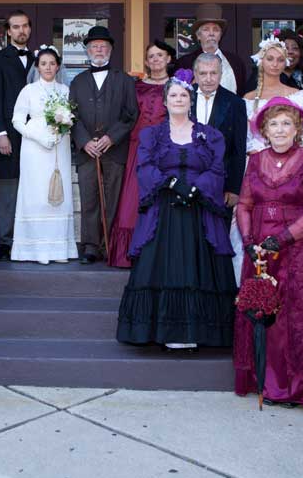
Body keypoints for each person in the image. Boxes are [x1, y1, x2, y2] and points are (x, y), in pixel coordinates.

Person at [233, 97, 303, 411]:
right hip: (259, 251)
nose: (280, 129)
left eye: (286, 123)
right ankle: (268, 382)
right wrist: (247, 240)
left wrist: (281, 239)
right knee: (265, 316)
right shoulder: (255, 161)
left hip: (300, 248)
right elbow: (244, 204)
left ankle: (300, 386)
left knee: (300, 316)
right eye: (274, 124)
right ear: (265, 130)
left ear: (297, 128)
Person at [116, 71, 237, 349]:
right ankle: (167, 331)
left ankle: (196, 331)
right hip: (164, 209)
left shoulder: (211, 135)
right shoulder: (151, 134)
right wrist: (170, 183)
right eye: (173, 95)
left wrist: (196, 189)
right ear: (165, 101)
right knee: (164, 268)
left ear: (190, 100)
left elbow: (218, 167)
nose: (179, 99)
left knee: (198, 268)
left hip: (199, 211)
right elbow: (144, 166)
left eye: (184, 95)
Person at [69, 26, 139, 263]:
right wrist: (84, 141)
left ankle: (109, 245)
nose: (99, 50)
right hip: (87, 151)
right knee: (89, 198)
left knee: (113, 198)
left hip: (114, 149)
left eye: (103, 46)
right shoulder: (77, 82)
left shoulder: (125, 80)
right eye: (94, 46)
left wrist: (111, 137)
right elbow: (71, 116)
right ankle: (90, 246)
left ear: (110, 50)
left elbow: (131, 114)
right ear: (88, 51)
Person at [108, 39, 174, 268]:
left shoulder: (178, 86)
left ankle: (159, 252)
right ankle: (130, 253)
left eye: (160, 55)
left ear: (168, 59)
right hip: (137, 148)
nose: (155, 60)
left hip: (166, 149)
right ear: (146, 61)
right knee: (132, 201)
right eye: (151, 56)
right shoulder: (134, 86)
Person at [10, 45, 78, 264]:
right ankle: (33, 250)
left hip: (60, 146)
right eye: (43, 63)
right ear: (37, 67)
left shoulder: (66, 91)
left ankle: (59, 250)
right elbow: (17, 120)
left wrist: (62, 130)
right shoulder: (28, 91)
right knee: (36, 193)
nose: (48, 67)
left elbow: (72, 117)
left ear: (58, 66)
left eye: (52, 63)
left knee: (59, 191)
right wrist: (38, 137)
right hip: (34, 148)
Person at [0, 9, 34, 256]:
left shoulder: (40, 58)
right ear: (8, 31)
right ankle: (5, 240)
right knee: (8, 187)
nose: (21, 31)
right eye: (16, 27)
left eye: (25, 26)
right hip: (9, 133)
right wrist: (0, 132)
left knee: (32, 184)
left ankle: (29, 237)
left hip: (36, 133)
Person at [190, 53, 248, 208]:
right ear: (195, 74)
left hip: (221, 184)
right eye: (203, 73)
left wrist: (234, 189)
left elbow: (238, 149)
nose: (208, 79)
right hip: (186, 181)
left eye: (213, 73)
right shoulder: (182, 97)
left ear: (221, 74)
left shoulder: (236, 103)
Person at [242, 36, 303, 154]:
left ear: (285, 63)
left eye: (280, 60)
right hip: (258, 158)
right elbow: (244, 136)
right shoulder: (249, 98)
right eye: (270, 59)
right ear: (261, 61)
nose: (275, 64)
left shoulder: (297, 96)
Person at [174, 3, 248, 94]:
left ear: (220, 35)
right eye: (206, 29)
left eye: (216, 30)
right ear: (198, 36)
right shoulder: (185, 63)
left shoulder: (236, 62)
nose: (211, 33)